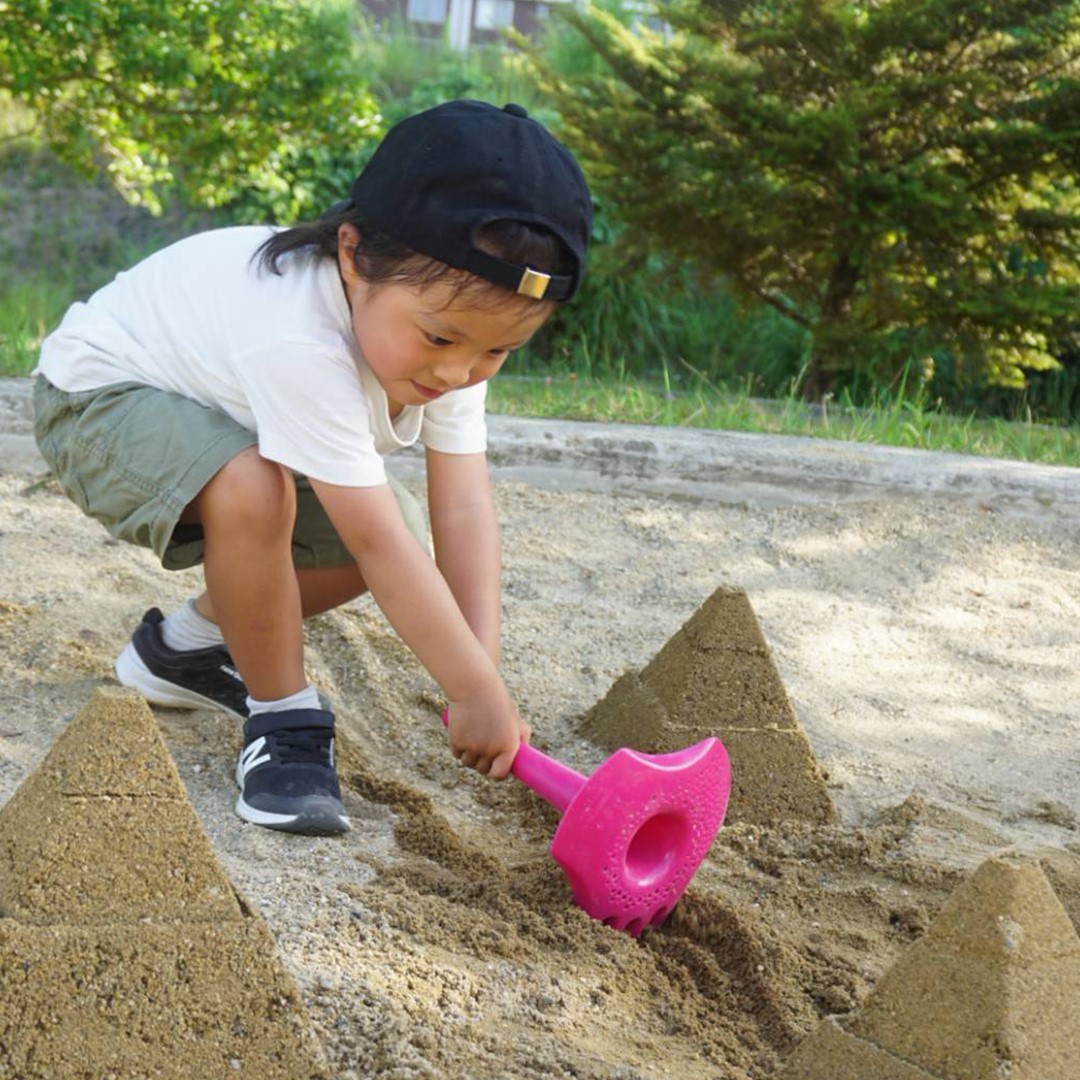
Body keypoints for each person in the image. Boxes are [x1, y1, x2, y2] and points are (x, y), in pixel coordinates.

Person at [33, 99, 592, 836]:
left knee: (409, 528)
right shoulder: (298, 338)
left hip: (223, 420)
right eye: (440, 337)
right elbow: (373, 541)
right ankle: (281, 721)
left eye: (495, 351)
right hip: (96, 403)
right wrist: (470, 686)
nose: (459, 371)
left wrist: (476, 675)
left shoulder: (450, 345)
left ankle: (181, 651)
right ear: (355, 254)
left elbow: (463, 508)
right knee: (257, 491)